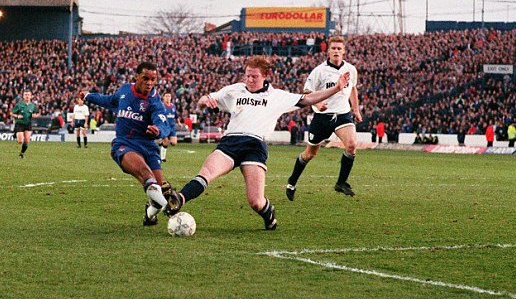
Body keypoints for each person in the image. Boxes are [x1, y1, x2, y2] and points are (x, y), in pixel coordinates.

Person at [164, 55, 349, 230]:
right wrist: (206, 101)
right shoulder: (234, 90)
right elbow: (204, 100)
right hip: (230, 142)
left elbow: (308, 99)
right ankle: (179, 199)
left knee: (255, 201)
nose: (249, 80)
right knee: (205, 174)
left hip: (254, 146)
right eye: (247, 76)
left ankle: (269, 214)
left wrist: (336, 88)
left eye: (254, 76)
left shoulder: (276, 96)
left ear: (265, 75)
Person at [81, 62, 179, 226]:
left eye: (153, 79)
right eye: (145, 78)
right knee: (147, 176)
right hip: (125, 144)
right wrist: (89, 96)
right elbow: (109, 100)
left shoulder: (154, 102)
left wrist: (158, 131)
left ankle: (150, 214)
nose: (149, 83)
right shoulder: (125, 90)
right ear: (137, 77)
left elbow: (163, 123)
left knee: (156, 190)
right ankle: (167, 207)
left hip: (149, 147)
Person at [285, 35, 362, 199]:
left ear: (344, 51)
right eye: (333, 48)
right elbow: (307, 91)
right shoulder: (319, 71)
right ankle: (292, 182)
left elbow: (353, 88)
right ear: (328, 51)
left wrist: (356, 109)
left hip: (342, 114)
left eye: (339, 48)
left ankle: (341, 183)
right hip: (322, 117)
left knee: (351, 145)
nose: (336, 51)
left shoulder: (351, 69)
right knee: (309, 154)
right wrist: (318, 104)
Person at [11, 90, 38, 158]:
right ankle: (15, 133)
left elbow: (37, 113)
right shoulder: (19, 105)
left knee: (27, 140)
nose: (27, 96)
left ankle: (22, 153)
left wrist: (35, 115)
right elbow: (12, 113)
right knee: (20, 141)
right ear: (23, 96)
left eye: (28, 95)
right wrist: (17, 116)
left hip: (28, 124)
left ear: (31, 96)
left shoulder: (33, 106)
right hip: (20, 124)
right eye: (25, 95)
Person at [160, 92, 178, 162]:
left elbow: (176, 115)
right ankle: (162, 158)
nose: (168, 98)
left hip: (172, 127)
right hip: (164, 127)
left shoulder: (173, 106)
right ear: (163, 98)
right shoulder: (161, 106)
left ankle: (162, 143)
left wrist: (179, 122)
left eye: (169, 96)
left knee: (174, 143)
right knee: (166, 142)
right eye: (166, 96)